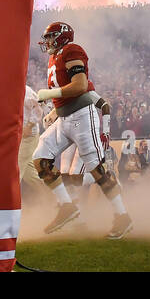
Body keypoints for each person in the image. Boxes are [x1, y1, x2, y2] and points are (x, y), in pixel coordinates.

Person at [31, 21, 133, 239]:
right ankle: (67, 206)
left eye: (50, 37)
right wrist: (54, 112)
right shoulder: (55, 57)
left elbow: (79, 86)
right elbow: (66, 95)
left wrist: (49, 95)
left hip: (81, 117)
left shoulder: (71, 50)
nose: (46, 42)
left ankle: (122, 216)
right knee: (40, 159)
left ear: (61, 37)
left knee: (97, 170)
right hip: (65, 118)